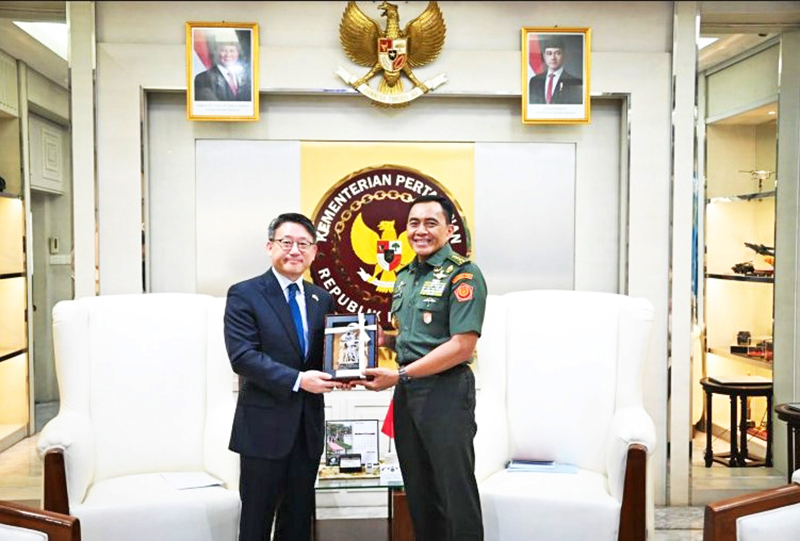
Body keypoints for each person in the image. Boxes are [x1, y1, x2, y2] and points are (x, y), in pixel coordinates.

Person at [360, 194, 487, 541]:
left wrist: (399, 374)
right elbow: (412, 340)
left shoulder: (463, 274)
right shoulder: (404, 276)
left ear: (449, 230)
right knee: (419, 492)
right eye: (414, 223)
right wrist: (381, 340)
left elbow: (462, 346)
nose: (421, 231)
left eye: (431, 223)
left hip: (445, 391)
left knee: (454, 493)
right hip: (408, 393)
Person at [224, 212, 340, 541]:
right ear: (270, 247)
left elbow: (326, 357)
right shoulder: (245, 294)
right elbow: (243, 357)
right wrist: (300, 380)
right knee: (256, 524)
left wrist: (344, 373)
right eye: (286, 242)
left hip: (307, 431)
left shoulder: (321, 299)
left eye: (303, 244)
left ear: (314, 252)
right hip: (263, 432)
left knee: (297, 524)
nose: (295, 250)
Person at [528, 36, 583, 104]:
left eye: (557, 53)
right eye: (549, 53)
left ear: (564, 55)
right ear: (544, 56)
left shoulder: (575, 83)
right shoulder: (534, 81)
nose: (553, 58)